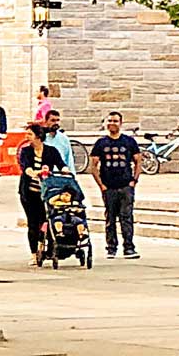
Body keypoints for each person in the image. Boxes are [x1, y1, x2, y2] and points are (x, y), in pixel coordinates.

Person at [89, 112, 142, 259]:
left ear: (121, 123)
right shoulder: (101, 143)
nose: (113, 123)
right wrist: (101, 185)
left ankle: (129, 247)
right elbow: (93, 165)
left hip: (125, 184)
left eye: (116, 121)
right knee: (110, 218)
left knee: (127, 217)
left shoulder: (129, 141)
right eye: (110, 120)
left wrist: (134, 181)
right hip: (109, 185)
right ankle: (111, 247)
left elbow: (138, 160)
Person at [18, 122, 66, 261]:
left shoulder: (51, 151)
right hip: (29, 192)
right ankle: (34, 253)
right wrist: (34, 172)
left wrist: (65, 171)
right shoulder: (26, 151)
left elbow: (61, 164)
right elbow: (26, 167)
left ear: (38, 136)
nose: (27, 137)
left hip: (47, 193)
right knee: (33, 223)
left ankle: (50, 249)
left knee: (47, 221)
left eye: (30, 134)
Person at [43, 109, 76, 174]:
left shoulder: (64, 138)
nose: (56, 123)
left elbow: (69, 158)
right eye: (53, 120)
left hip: (61, 173)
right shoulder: (41, 138)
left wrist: (72, 174)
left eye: (57, 120)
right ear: (46, 122)